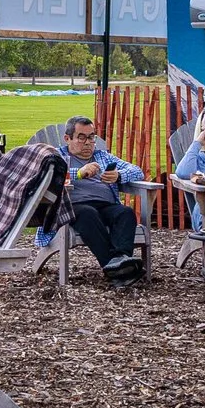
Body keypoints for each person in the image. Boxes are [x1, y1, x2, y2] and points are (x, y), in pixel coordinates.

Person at [55, 116, 147, 283]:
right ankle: (116, 268)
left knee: (125, 212)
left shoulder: (102, 156)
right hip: (73, 207)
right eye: (81, 137)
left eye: (91, 137)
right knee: (88, 213)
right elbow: (49, 176)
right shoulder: (57, 157)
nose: (88, 142)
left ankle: (120, 260)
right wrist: (79, 173)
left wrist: (119, 175)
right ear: (67, 138)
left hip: (105, 206)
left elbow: (137, 171)